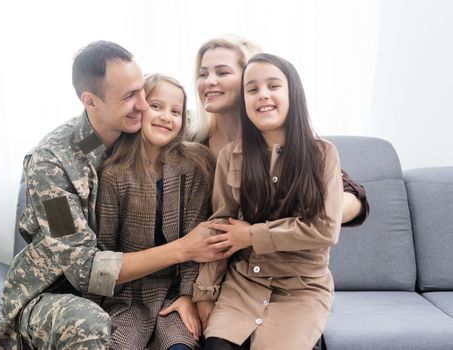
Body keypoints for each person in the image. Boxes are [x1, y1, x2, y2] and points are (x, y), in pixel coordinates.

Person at [0, 41, 223, 350]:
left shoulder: (133, 132)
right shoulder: (52, 167)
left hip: (131, 294)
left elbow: (195, 128)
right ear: (91, 101)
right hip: (55, 293)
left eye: (142, 90)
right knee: (89, 322)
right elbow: (86, 270)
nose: (144, 105)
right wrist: (184, 248)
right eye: (130, 96)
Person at [193, 53, 344, 349]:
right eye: (252, 89)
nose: (262, 95)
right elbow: (220, 226)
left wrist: (250, 234)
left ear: (293, 94)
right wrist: (205, 293)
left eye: (273, 86)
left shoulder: (323, 154)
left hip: (302, 289)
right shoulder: (230, 156)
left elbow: (325, 229)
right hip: (244, 285)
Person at [190, 35, 367, 225]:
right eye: (203, 74)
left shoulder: (283, 141)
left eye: (222, 73)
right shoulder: (190, 142)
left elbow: (356, 201)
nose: (209, 82)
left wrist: (298, 225)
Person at [97, 73, 214, 350]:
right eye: (157, 106)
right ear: (139, 108)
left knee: (181, 345)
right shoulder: (114, 174)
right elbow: (105, 253)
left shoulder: (193, 168)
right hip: (128, 296)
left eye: (176, 111)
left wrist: (187, 295)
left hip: (174, 292)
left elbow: (195, 244)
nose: (166, 117)